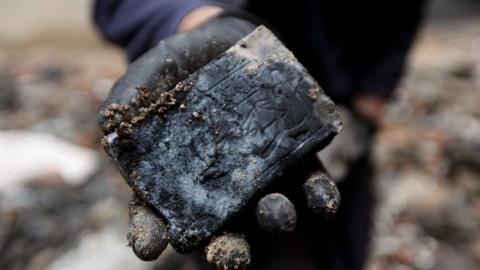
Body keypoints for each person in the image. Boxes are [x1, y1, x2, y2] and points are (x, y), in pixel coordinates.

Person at [93, 1, 425, 269]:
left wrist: (369, 100)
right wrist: (199, 21)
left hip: (329, 109)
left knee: (337, 241)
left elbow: (399, 14)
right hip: (210, 95)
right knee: (225, 242)